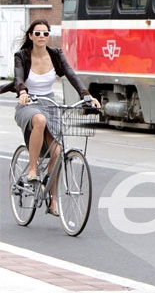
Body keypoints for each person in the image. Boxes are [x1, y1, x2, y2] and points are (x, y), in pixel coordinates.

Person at [0, 19, 100, 216]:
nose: (41, 37)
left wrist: (86, 96)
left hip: (51, 104)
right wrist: (22, 92)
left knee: (57, 152)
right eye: (37, 33)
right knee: (39, 120)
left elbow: (71, 75)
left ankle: (53, 200)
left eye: (45, 33)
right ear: (30, 36)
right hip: (28, 103)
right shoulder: (22, 56)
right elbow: (19, 78)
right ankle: (32, 170)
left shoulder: (56, 55)